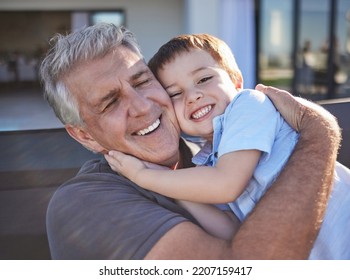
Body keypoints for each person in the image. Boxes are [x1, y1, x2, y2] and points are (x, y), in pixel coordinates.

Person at [40, 23, 341, 260]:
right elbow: (254, 262)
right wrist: (319, 134)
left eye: (142, 81)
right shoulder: (85, 201)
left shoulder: (206, 154)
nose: (143, 106)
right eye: (110, 103)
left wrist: (161, 180)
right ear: (84, 135)